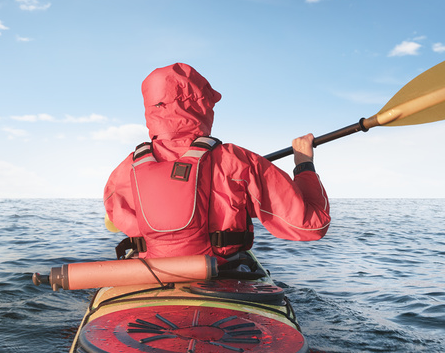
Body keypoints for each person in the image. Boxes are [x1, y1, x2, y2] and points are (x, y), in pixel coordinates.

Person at [103, 63, 331, 260]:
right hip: (220, 273)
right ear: (203, 106)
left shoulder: (125, 171)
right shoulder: (236, 161)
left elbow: (114, 222)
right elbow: (311, 225)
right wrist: (304, 164)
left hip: (150, 273)